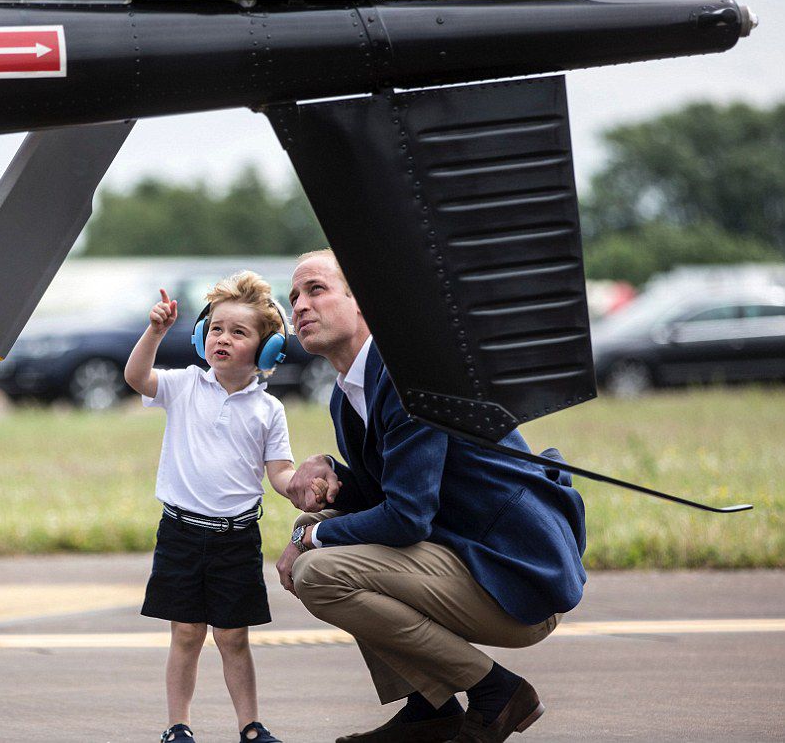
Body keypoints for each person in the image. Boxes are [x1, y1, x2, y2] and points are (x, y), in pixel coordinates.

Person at [276, 250, 587, 743]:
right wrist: (331, 476)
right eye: (293, 297)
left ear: (364, 304)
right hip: (465, 560)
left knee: (320, 571)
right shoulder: (348, 393)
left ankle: (497, 693)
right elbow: (386, 493)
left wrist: (311, 536)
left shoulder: (409, 379)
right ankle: (429, 710)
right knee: (331, 538)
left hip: (516, 576)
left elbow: (405, 518)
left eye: (316, 289)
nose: (299, 306)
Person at [125, 272, 302, 743]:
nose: (223, 338)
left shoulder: (269, 411)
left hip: (237, 538)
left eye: (238, 332)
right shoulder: (184, 386)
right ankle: (177, 726)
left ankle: (250, 726)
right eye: (216, 328)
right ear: (203, 337)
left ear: (267, 352)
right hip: (181, 533)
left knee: (233, 638)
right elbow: (136, 377)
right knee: (185, 634)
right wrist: (155, 332)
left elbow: (280, 474)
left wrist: (304, 486)